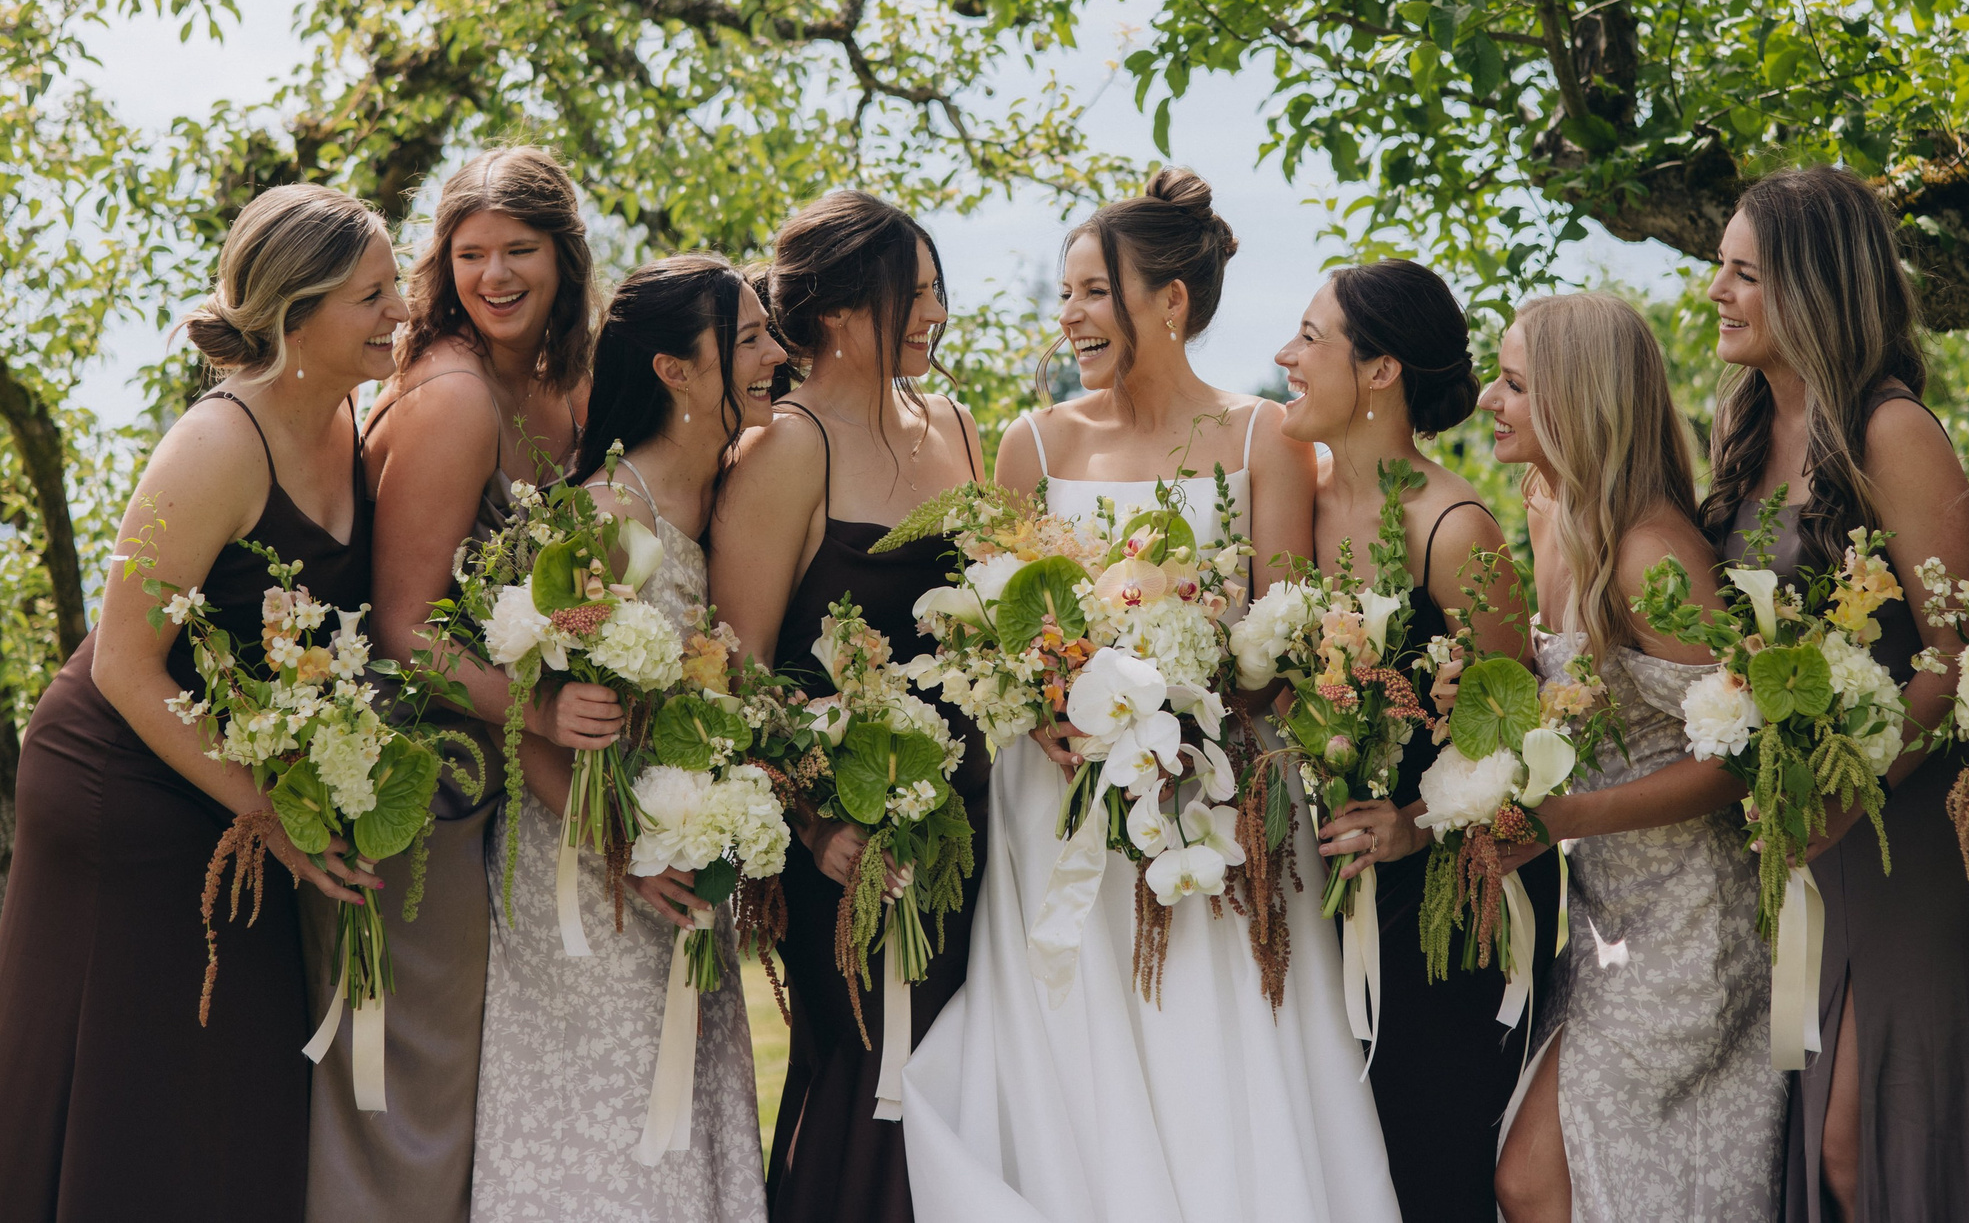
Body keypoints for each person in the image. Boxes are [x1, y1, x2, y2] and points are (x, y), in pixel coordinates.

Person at [902, 168, 1402, 1223]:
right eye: (1067, 291)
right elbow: (1004, 619)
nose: (1070, 315)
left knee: (1218, 1042)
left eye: (1094, 291)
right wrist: (1034, 697)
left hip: (1211, 798)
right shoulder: (1031, 444)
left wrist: (1192, 713)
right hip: (1059, 800)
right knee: (1075, 1048)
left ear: (1168, 303)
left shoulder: (1264, 438)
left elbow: (1277, 638)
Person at [0, 183, 397, 1223]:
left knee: (231, 1081)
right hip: (123, 789)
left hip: (234, 782)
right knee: (128, 1080)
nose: (398, 312)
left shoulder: (352, 421)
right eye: (373, 296)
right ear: (297, 314)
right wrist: (269, 811)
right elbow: (124, 666)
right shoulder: (217, 445)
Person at [1701, 166, 1969, 1223]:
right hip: (1798, 831)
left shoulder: (1893, 431)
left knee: (1864, 1135)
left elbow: (1956, 653)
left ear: (1813, 288)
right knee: (1817, 1136)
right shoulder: (1741, 432)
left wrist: (1856, 785)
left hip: (1900, 831)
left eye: (1743, 273)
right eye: (1719, 269)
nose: (1716, 292)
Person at [321, 148, 613, 1223]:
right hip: (417, 778)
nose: (493, 274)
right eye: (470, 252)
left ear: (563, 255)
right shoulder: (450, 394)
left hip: (499, 764)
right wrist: (541, 711)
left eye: (518, 251)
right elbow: (404, 630)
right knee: (411, 1065)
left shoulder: (562, 378)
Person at [471, 255, 785, 1221]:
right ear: (672, 370)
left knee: (690, 1103)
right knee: (601, 1128)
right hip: (581, 877)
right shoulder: (603, 515)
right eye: (748, 339)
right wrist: (623, 853)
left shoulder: (733, 490)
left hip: (679, 861)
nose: (777, 354)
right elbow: (526, 726)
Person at [708, 191, 987, 1223]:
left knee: (961, 1082)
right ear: (830, 309)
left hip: (972, 824)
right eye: (903, 294)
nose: (931, 313)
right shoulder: (787, 444)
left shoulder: (954, 422)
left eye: (932, 289)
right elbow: (738, 668)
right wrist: (816, 824)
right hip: (848, 844)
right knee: (873, 1081)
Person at [1475, 292, 1782, 1222]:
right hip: (1609, 916)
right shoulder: (1548, 508)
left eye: (1516, 384)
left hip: (1693, 917)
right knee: (1578, 1180)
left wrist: (1569, 818)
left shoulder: (1654, 553)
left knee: (1542, 1178)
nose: (1491, 399)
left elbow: (1747, 757)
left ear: (1580, 400)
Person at [1277, 260, 1535, 1223]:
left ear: (1380, 369)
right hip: (1324, 888)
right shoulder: (1291, 500)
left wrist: (1416, 825)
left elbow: (1523, 741)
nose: (1285, 357)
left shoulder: (1457, 530)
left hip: (1445, 911)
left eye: (1310, 338)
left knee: (1428, 1171)